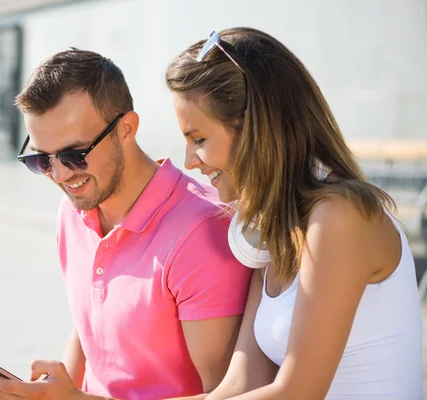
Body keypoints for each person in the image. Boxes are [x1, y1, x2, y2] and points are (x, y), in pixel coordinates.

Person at [0, 48, 252, 400]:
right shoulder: (73, 211)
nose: (60, 175)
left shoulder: (202, 232)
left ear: (127, 129)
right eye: (41, 159)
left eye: (75, 155)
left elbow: (226, 396)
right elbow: (91, 324)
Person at [164, 28, 423, 399]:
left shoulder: (339, 216)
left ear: (256, 129)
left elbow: (298, 392)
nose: (190, 161)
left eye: (199, 139)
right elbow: (241, 386)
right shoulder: (272, 230)